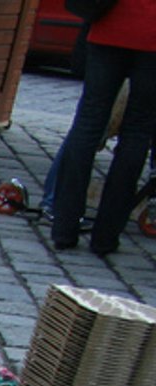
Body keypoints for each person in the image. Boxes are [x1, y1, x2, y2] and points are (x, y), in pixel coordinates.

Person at [52, 0, 156, 255]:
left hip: (109, 23)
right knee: (137, 133)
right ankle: (106, 237)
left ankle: (64, 227)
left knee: (88, 123)